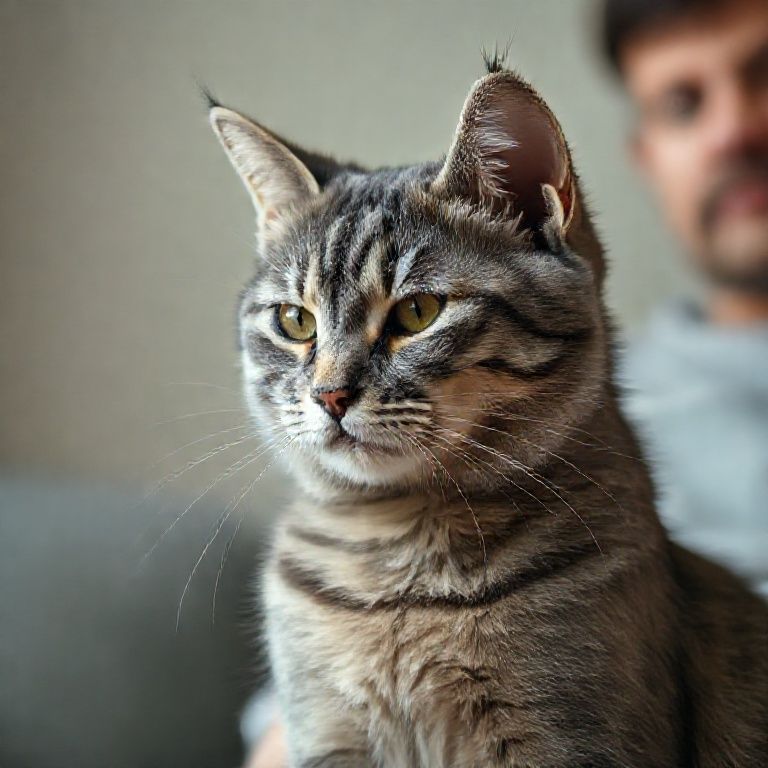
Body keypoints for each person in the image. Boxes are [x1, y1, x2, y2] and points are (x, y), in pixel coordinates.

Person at [245, 1, 768, 762]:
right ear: (646, 150)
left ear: (532, 213)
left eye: (414, 312)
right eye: (684, 103)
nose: (332, 385)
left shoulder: (597, 505)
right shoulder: (632, 375)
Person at [604, 0, 768, 597]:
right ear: (647, 159)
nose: (732, 132)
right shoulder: (590, 434)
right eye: (682, 105)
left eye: (765, 73)